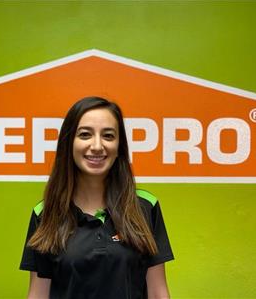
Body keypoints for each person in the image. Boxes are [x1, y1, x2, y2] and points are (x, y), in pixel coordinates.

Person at [20, 96, 174, 299]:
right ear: (69, 143)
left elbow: (157, 293)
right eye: (85, 135)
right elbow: (39, 294)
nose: (97, 146)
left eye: (108, 136)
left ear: (119, 146)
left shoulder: (145, 207)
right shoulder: (45, 213)